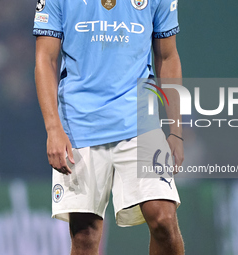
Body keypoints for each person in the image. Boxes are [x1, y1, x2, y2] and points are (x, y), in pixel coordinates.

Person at [33, 0, 185, 254]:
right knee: (85, 237)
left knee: (164, 220)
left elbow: (168, 56)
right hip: (79, 123)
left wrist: (176, 131)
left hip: (139, 120)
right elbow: (45, 59)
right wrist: (53, 129)